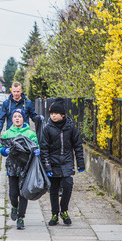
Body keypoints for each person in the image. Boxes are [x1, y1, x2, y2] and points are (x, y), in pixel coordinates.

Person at [40, 97, 85, 226]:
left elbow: (78, 146)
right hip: (53, 163)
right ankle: (54, 214)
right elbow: (44, 149)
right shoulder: (47, 129)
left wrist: (80, 163)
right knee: (53, 189)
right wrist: (47, 166)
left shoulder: (71, 128)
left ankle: (64, 210)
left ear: (63, 115)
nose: (53, 116)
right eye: (51, 114)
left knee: (68, 185)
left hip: (67, 162)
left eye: (56, 114)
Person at [0, 108, 40, 230]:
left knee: (23, 194)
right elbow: (2, 148)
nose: (17, 118)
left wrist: (37, 150)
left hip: (25, 168)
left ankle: (21, 217)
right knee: (13, 193)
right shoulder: (7, 133)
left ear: (24, 119)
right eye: (15, 116)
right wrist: (4, 151)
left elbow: (36, 146)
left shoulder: (30, 134)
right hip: (12, 168)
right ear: (12, 119)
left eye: (20, 116)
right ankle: (14, 206)